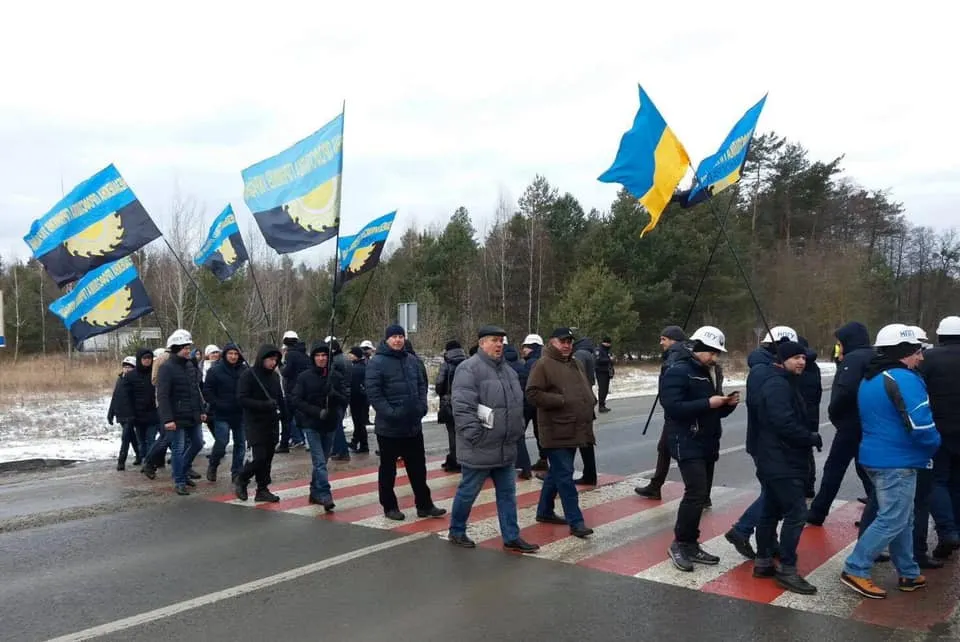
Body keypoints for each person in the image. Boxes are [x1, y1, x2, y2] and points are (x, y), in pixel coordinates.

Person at [841, 324, 940, 599]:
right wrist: (935, 445)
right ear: (905, 352)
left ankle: (908, 572)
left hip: (876, 457)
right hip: (898, 461)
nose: (921, 357)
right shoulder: (904, 379)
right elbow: (921, 426)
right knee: (893, 519)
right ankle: (855, 568)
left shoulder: (871, 377)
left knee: (902, 518)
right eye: (917, 351)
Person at [447, 325, 539, 553]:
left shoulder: (507, 371)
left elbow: (516, 404)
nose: (499, 345)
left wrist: (516, 431)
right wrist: (475, 436)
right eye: (493, 340)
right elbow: (463, 407)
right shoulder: (468, 369)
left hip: (505, 446)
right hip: (480, 446)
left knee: (508, 495)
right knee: (468, 492)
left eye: (501, 340)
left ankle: (511, 536)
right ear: (481, 343)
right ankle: (457, 530)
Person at [748, 341, 823, 594]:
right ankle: (788, 570)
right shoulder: (778, 384)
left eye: (804, 357)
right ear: (782, 360)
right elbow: (784, 424)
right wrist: (810, 437)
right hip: (782, 459)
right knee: (796, 513)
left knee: (770, 510)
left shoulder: (783, 380)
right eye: (796, 358)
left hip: (774, 458)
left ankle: (764, 562)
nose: (802, 361)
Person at [663, 326, 738, 572]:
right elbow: (673, 407)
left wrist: (726, 404)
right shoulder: (678, 370)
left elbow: (709, 409)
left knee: (701, 494)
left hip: (707, 439)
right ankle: (680, 543)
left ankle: (691, 543)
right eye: (712, 352)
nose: (715, 357)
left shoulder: (707, 371)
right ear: (699, 348)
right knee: (695, 493)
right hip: (687, 440)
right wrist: (708, 402)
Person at [366, 325, 446, 521]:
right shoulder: (376, 363)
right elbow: (374, 393)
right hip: (389, 428)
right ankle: (390, 506)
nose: (398, 340)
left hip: (412, 425)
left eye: (401, 336)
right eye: (394, 336)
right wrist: (391, 413)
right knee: (388, 469)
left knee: (418, 468)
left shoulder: (412, 361)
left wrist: (421, 407)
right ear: (386, 340)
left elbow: (421, 385)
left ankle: (425, 505)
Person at [527, 327, 596, 539]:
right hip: (555, 430)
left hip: (575, 427)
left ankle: (545, 511)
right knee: (565, 476)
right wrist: (560, 401)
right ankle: (576, 522)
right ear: (552, 342)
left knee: (557, 473)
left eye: (569, 341)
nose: (566, 344)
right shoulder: (544, 364)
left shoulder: (575, 362)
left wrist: (590, 401)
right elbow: (532, 393)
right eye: (562, 341)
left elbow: (582, 388)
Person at [808, 322, 875, 526]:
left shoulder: (853, 360)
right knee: (867, 471)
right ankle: (874, 512)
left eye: (840, 342)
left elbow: (845, 391)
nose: (839, 346)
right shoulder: (873, 357)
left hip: (850, 424)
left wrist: (833, 413)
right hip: (869, 423)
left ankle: (818, 512)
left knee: (834, 469)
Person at [918, 316, 960, 559]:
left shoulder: (929, 359)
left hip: (938, 431)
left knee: (937, 481)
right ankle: (956, 528)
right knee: (957, 483)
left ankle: (947, 530)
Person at [291, 342, 346, 511]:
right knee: (320, 462)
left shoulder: (335, 376)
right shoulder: (304, 377)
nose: (321, 358)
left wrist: (334, 395)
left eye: (324, 355)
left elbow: (345, 398)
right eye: (318, 355)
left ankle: (314, 491)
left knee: (323, 459)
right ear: (313, 357)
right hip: (311, 424)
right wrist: (316, 412)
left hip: (330, 424)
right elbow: (296, 400)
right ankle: (324, 494)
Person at [636, 325, 688, 499]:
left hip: (677, 412)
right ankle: (655, 486)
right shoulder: (682, 353)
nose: (661, 343)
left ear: (673, 340)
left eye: (663, 339)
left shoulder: (675, 356)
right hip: (676, 412)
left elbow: (672, 381)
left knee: (682, 453)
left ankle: (699, 494)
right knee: (665, 448)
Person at [155, 329, 206, 496]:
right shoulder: (166, 368)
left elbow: (195, 390)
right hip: (176, 417)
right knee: (178, 448)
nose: (188, 350)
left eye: (188, 347)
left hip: (192, 414)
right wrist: (167, 419)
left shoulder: (190, 365)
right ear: (176, 348)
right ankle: (179, 480)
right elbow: (162, 395)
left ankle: (182, 471)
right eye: (185, 347)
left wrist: (201, 409)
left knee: (198, 443)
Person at [235, 344, 287, 503]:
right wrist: (263, 405)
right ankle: (242, 478)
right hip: (255, 423)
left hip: (271, 422)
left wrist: (285, 416)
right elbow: (242, 399)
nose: (273, 363)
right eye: (270, 359)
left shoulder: (275, 377)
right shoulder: (249, 375)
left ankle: (262, 489)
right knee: (259, 457)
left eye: (276, 360)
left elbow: (280, 398)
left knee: (268, 458)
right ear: (262, 358)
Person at [203, 343, 247, 484]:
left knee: (240, 443)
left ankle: (237, 472)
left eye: (236, 354)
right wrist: (217, 404)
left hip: (240, 413)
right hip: (222, 413)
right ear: (225, 354)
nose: (233, 356)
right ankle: (213, 465)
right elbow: (207, 391)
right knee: (222, 441)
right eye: (230, 353)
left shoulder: (244, 370)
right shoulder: (215, 371)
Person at [116, 349, 159, 477]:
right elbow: (125, 397)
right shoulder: (131, 376)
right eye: (144, 358)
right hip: (137, 415)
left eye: (149, 358)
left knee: (151, 440)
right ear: (140, 359)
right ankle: (145, 459)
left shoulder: (155, 373)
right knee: (141, 442)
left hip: (153, 413)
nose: (147, 360)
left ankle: (148, 463)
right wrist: (128, 414)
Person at [436, 340, 468, 473]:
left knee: (452, 433)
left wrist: (443, 395)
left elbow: (439, 385)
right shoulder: (468, 363)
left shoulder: (446, 365)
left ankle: (455, 461)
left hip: (450, 402)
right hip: (467, 401)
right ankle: (466, 460)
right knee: (465, 432)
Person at [797, 336, 823, 498]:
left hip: (801, 415)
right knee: (807, 452)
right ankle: (809, 486)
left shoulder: (799, 369)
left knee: (801, 453)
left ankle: (804, 486)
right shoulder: (813, 366)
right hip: (812, 415)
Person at [572, 334, 598, 486]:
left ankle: (558, 475)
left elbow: (577, 378)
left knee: (574, 440)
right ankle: (590, 474)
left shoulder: (579, 354)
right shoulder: (588, 353)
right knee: (585, 441)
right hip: (586, 401)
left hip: (581, 402)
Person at [520, 334, 547, 473]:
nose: (524, 349)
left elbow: (525, 384)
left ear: (534, 348)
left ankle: (521, 464)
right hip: (539, 404)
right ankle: (544, 459)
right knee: (540, 433)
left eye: (527, 347)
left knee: (519, 433)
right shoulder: (543, 360)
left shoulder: (531, 363)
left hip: (529, 403)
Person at [279, 330, 309, 452]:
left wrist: (280, 366)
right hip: (302, 391)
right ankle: (307, 441)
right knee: (303, 418)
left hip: (292, 391)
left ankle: (284, 444)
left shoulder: (290, 355)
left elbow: (286, 372)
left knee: (286, 419)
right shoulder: (304, 354)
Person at [108, 356, 139, 471]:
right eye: (125, 367)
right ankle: (139, 454)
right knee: (131, 436)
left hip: (131, 414)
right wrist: (110, 413)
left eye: (129, 367)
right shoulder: (120, 379)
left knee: (125, 437)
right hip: (121, 414)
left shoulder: (135, 381)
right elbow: (115, 396)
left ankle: (121, 461)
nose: (127, 369)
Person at [326, 337, 354, 461]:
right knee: (337, 422)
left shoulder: (335, 362)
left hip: (338, 394)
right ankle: (338, 449)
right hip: (347, 392)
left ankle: (342, 451)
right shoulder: (346, 359)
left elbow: (333, 379)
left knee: (336, 424)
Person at [347, 346, 371, 454]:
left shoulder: (356, 369)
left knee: (359, 423)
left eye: (351, 354)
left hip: (357, 399)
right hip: (363, 399)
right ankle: (356, 442)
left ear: (356, 355)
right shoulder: (363, 366)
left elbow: (354, 386)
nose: (349, 355)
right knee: (359, 423)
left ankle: (363, 445)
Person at [595, 337, 615, 413]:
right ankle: (600, 406)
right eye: (608, 343)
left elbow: (610, 361)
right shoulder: (599, 350)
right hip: (600, 372)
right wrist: (609, 359)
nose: (609, 344)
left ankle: (603, 404)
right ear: (604, 342)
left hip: (607, 372)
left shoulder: (608, 351)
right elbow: (598, 360)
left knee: (606, 390)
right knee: (602, 389)